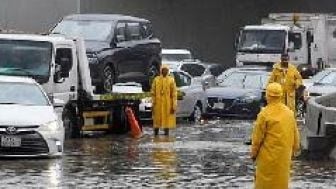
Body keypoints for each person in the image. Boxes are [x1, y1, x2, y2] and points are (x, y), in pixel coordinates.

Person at [251, 83, 300, 189]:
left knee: (264, 184)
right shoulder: (289, 113)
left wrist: (253, 154)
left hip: (267, 157)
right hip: (284, 157)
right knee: (281, 182)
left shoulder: (264, 114)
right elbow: (295, 134)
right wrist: (295, 150)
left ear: (267, 96)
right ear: (281, 95)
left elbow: (257, 138)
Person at [151, 64, 177, 136]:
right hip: (158, 105)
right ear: (161, 70)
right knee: (156, 122)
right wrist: (153, 103)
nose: (164, 71)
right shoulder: (156, 79)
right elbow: (153, 93)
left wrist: (173, 106)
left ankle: (166, 136)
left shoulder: (171, 80)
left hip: (167, 105)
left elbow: (174, 94)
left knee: (167, 123)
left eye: (166, 70)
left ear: (168, 71)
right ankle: (156, 136)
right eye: (163, 70)